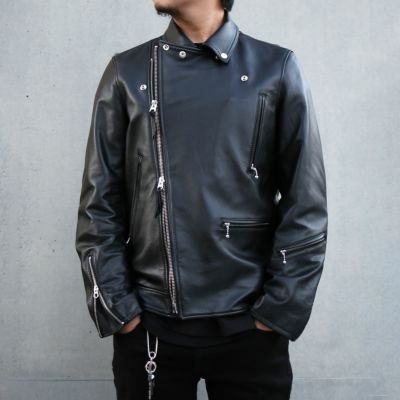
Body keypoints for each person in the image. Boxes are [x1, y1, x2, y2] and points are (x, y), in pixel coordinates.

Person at [75, 0, 328, 399]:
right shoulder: (128, 72)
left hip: (250, 327)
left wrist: (278, 311)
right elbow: (98, 204)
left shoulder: (275, 68)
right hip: (151, 327)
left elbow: (306, 201)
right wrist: (120, 311)